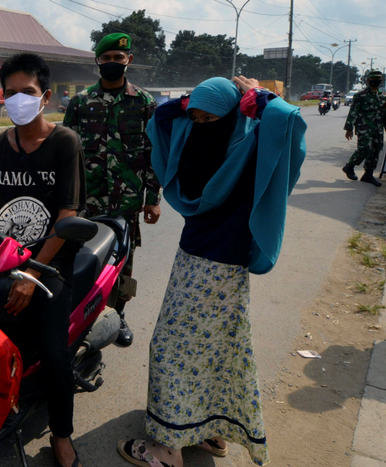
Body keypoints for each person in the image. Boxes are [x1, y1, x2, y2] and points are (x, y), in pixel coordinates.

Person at [117, 76, 306, 467]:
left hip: (210, 268)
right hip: (209, 263)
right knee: (217, 350)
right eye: (197, 119)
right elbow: (165, 116)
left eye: (210, 119)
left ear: (234, 115)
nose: (200, 127)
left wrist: (256, 96)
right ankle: (208, 431)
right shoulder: (221, 146)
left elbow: (289, 121)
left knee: (171, 349)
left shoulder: (251, 149)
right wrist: (201, 102)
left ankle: (167, 449)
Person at [0, 53, 86, 467]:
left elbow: (66, 218)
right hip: (6, 260)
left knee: (55, 353)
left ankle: (61, 436)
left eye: (28, 91)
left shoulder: (64, 142)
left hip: (49, 264)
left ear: (45, 97)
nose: (18, 99)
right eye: (10, 93)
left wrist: (32, 271)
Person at [63, 33, 161, 347]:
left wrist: (152, 198)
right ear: (97, 62)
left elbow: (154, 153)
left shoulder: (144, 103)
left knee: (124, 261)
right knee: (82, 260)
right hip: (86, 203)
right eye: (106, 59)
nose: (112, 64)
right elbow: (66, 152)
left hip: (127, 202)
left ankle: (117, 315)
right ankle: (80, 318)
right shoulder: (80, 103)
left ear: (128, 60)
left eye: (118, 59)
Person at [342, 70, 386, 187]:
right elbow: (353, 112)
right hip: (364, 127)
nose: (376, 82)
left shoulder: (382, 97)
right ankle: (349, 166)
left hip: (378, 128)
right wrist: (349, 128)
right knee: (365, 149)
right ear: (368, 81)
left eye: (378, 80)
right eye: (373, 80)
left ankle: (368, 174)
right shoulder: (360, 95)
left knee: (376, 150)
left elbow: (384, 115)